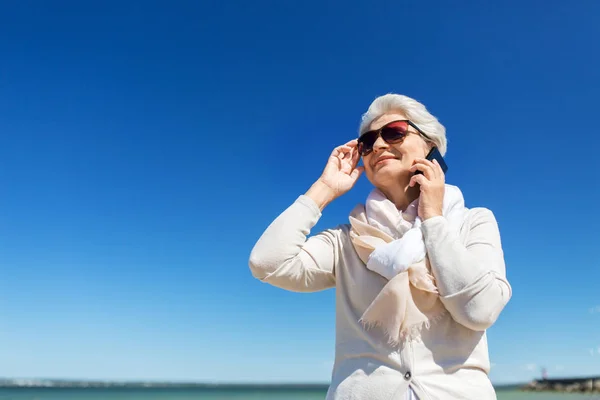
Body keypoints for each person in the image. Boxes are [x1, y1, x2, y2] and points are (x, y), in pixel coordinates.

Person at [248, 93, 511, 400]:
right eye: (367, 143)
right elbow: (267, 262)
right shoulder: (346, 241)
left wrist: (433, 221)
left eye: (395, 131)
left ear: (430, 146)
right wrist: (324, 189)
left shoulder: (473, 222)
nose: (379, 146)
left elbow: (479, 310)